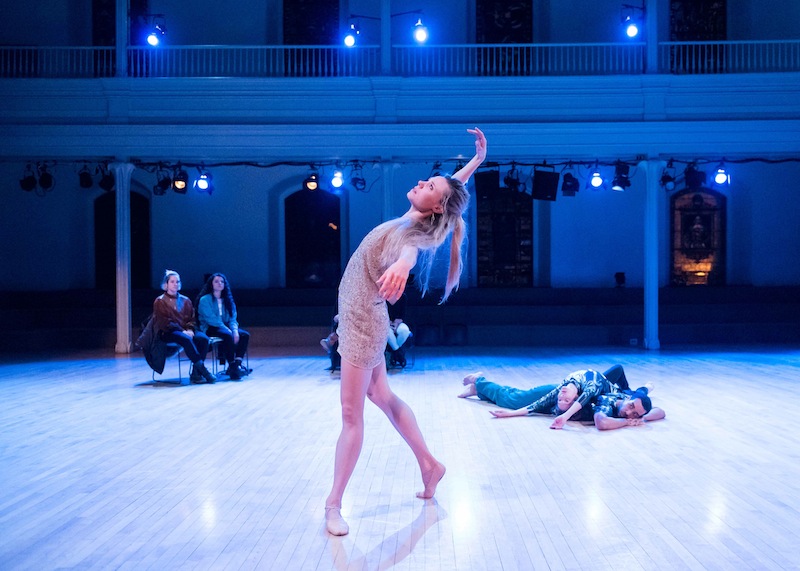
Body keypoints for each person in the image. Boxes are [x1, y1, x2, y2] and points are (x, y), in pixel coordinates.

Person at [324, 127, 487, 536]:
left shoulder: (413, 236)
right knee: (383, 396)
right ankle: (430, 466)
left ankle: (333, 505)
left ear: (435, 206)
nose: (419, 183)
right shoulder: (420, 218)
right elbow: (449, 196)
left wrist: (403, 265)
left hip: (363, 326)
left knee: (351, 415)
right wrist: (474, 163)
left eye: (428, 185)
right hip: (362, 319)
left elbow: (410, 250)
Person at [152, 270, 216, 384]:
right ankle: (204, 371)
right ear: (166, 284)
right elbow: (164, 322)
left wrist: (189, 329)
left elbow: (191, 318)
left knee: (203, 339)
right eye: (172, 281)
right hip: (168, 332)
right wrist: (182, 331)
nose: (175, 284)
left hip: (185, 330)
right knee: (185, 339)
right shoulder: (160, 301)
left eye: (177, 281)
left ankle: (196, 373)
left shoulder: (186, 300)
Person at [196, 273, 250, 380]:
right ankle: (232, 365)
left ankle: (236, 365)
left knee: (244, 335)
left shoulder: (228, 300)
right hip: (210, 327)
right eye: (216, 281)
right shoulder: (204, 300)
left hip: (225, 327)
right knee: (227, 335)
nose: (220, 283)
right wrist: (228, 330)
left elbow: (233, 318)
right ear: (211, 284)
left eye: (222, 281)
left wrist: (234, 330)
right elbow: (211, 319)